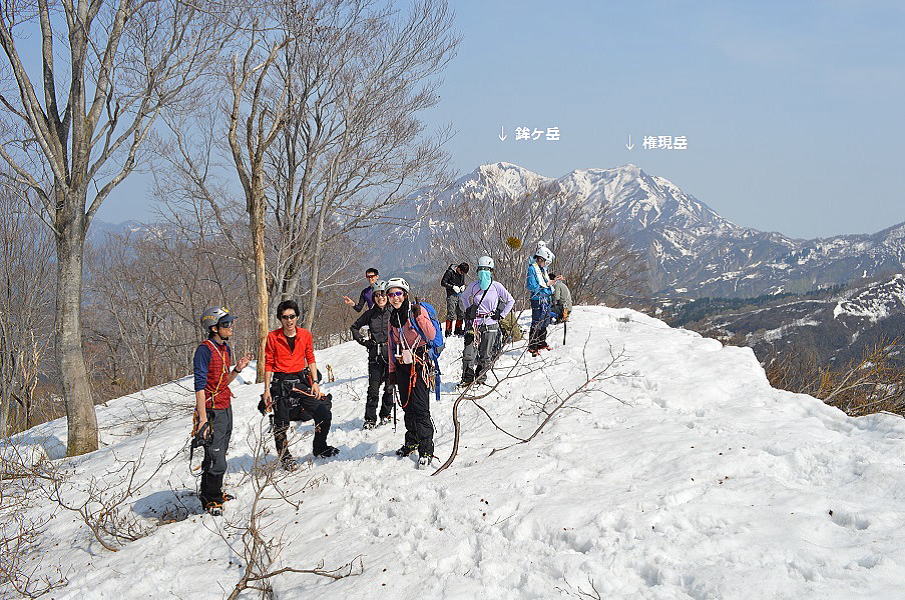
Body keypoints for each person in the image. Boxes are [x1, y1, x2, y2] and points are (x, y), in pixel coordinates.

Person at [262, 299, 339, 468]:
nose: (289, 320)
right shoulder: (273, 337)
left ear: (297, 317)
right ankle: (285, 457)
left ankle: (320, 447)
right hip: (280, 382)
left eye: (292, 316)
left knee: (324, 413)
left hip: (300, 381)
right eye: (285, 317)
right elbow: (268, 364)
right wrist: (266, 390)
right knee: (281, 424)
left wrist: (315, 382)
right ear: (280, 319)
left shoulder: (305, 335)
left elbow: (310, 358)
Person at [193, 307, 252, 514]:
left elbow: (222, 382)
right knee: (216, 455)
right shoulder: (204, 350)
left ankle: (212, 492)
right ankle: (211, 500)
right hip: (211, 410)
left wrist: (237, 369)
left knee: (219, 451)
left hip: (225, 406)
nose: (231, 327)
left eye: (230, 323)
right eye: (226, 324)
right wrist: (202, 420)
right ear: (214, 327)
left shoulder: (225, 349)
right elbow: (199, 386)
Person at [385, 277, 437, 465]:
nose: (395, 297)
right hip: (402, 366)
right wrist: (391, 371)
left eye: (398, 293)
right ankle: (412, 441)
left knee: (421, 408)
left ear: (405, 294)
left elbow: (431, 335)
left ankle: (426, 449)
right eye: (391, 294)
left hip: (420, 364)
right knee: (407, 406)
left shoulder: (416, 311)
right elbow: (391, 346)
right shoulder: (392, 319)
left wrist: (419, 317)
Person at [459, 256, 515, 386]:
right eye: (481, 269)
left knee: (486, 354)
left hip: (491, 323)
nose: (483, 272)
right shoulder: (473, 285)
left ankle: (481, 378)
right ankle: (467, 378)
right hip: (474, 323)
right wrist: (469, 310)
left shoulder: (496, 286)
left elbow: (510, 300)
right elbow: (464, 297)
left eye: (486, 269)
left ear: (491, 271)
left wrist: (501, 315)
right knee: (468, 352)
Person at [350, 280, 394, 429]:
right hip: (375, 356)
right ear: (374, 298)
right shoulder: (370, 314)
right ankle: (370, 419)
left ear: (387, 296)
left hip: (391, 357)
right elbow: (354, 327)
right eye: (377, 296)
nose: (380, 298)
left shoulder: (393, 312)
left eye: (382, 295)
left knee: (389, 388)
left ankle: (386, 414)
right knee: (373, 390)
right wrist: (364, 342)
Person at [526, 241, 555, 357]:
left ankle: (541, 342)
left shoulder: (543, 270)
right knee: (537, 322)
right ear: (540, 259)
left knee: (545, 321)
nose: (546, 265)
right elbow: (531, 285)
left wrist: (552, 282)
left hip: (546, 297)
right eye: (545, 262)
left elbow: (546, 282)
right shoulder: (532, 269)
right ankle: (533, 345)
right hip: (538, 298)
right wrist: (546, 285)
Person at [440, 262, 469, 336]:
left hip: (460, 294)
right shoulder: (450, 272)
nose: (462, 274)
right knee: (451, 313)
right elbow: (443, 282)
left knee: (461, 313)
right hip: (451, 295)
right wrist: (452, 286)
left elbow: (462, 282)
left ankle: (458, 329)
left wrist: (463, 286)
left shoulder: (462, 274)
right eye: (461, 272)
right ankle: (448, 331)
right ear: (458, 268)